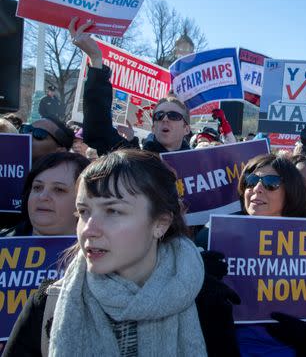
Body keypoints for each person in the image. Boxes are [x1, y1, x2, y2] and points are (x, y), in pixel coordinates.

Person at [4, 149, 238, 356]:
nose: (89, 229)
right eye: (83, 211)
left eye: (113, 211)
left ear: (160, 223)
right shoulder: (47, 304)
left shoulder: (208, 303)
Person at [230, 153, 306, 356]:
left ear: (290, 192)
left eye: (270, 183)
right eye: (251, 181)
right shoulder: (217, 237)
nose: (257, 188)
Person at [68, 18, 192, 156]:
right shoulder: (136, 159)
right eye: (159, 115)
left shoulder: (202, 165)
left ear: (186, 129)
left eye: (173, 115)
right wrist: (96, 60)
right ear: (153, 127)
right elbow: (99, 130)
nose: (165, 119)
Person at [0, 152, 89, 237]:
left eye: (58, 189)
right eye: (37, 187)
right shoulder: (3, 241)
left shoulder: (98, 250)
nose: (42, 197)